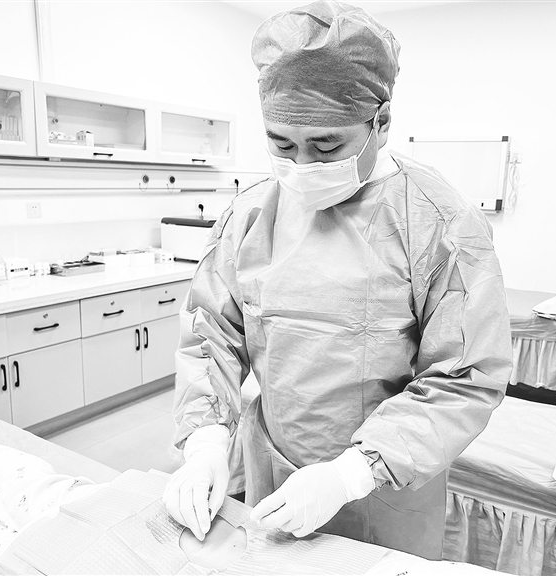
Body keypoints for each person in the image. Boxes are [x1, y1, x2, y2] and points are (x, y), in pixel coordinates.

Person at [164, 0, 512, 560]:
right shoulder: (250, 215)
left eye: (327, 146)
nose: (302, 166)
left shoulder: (439, 224)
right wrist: (205, 442)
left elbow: (466, 377)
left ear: (382, 122)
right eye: (282, 145)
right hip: (271, 464)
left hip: (385, 484)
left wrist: (351, 474)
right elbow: (211, 334)